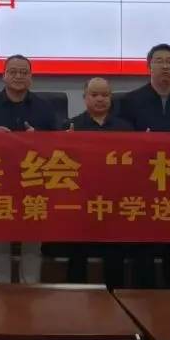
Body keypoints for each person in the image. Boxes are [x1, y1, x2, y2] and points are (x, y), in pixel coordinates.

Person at [115, 44, 170, 289]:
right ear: (149, 66)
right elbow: (119, 141)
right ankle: (142, 296)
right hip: (142, 183)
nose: (165, 66)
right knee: (143, 246)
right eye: (159, 61)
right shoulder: (130, 101)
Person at [0, 55, 58, 284]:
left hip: (34, 179)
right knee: (0, 238)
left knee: (32, 239)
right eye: (13, 72)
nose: (18, 77)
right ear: (3, 76)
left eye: (24, 72)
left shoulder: (44, 108)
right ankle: (1, 286)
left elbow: (56, 145)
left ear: (31, 78)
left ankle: (30, 286)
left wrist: (37, 138)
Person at [64, 77, 133, 287]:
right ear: (85, 98)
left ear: (111, 98)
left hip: (114, 199)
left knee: (114, 254)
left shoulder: (126, 129)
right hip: (81, 199)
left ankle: (114, 293)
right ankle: (76, 293)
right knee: (77, 252)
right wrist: (64, 143)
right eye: (94, 95)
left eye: (105, 95)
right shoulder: (71, 126)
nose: (100, 99)